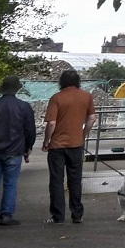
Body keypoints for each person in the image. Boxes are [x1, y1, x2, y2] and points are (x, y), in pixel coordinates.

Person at [0, 75, 34, 225]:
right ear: (17, 89)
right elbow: (29, 130)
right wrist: (27, 147)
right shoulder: (24, 107)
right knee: (10, 183)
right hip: (14, 152)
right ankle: (6, 215)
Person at [43, 69, 95, 223]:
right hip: (76, 144)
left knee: (57, 181)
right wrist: (83, 134)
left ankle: (58, 216)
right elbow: (92, 118)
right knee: (75, 180)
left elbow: (51, 123)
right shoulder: (87, 96)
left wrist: (47, 141)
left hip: (57, 147)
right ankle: (77, 215)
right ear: (78, 81)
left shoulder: (56, 98)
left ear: (62, 82)